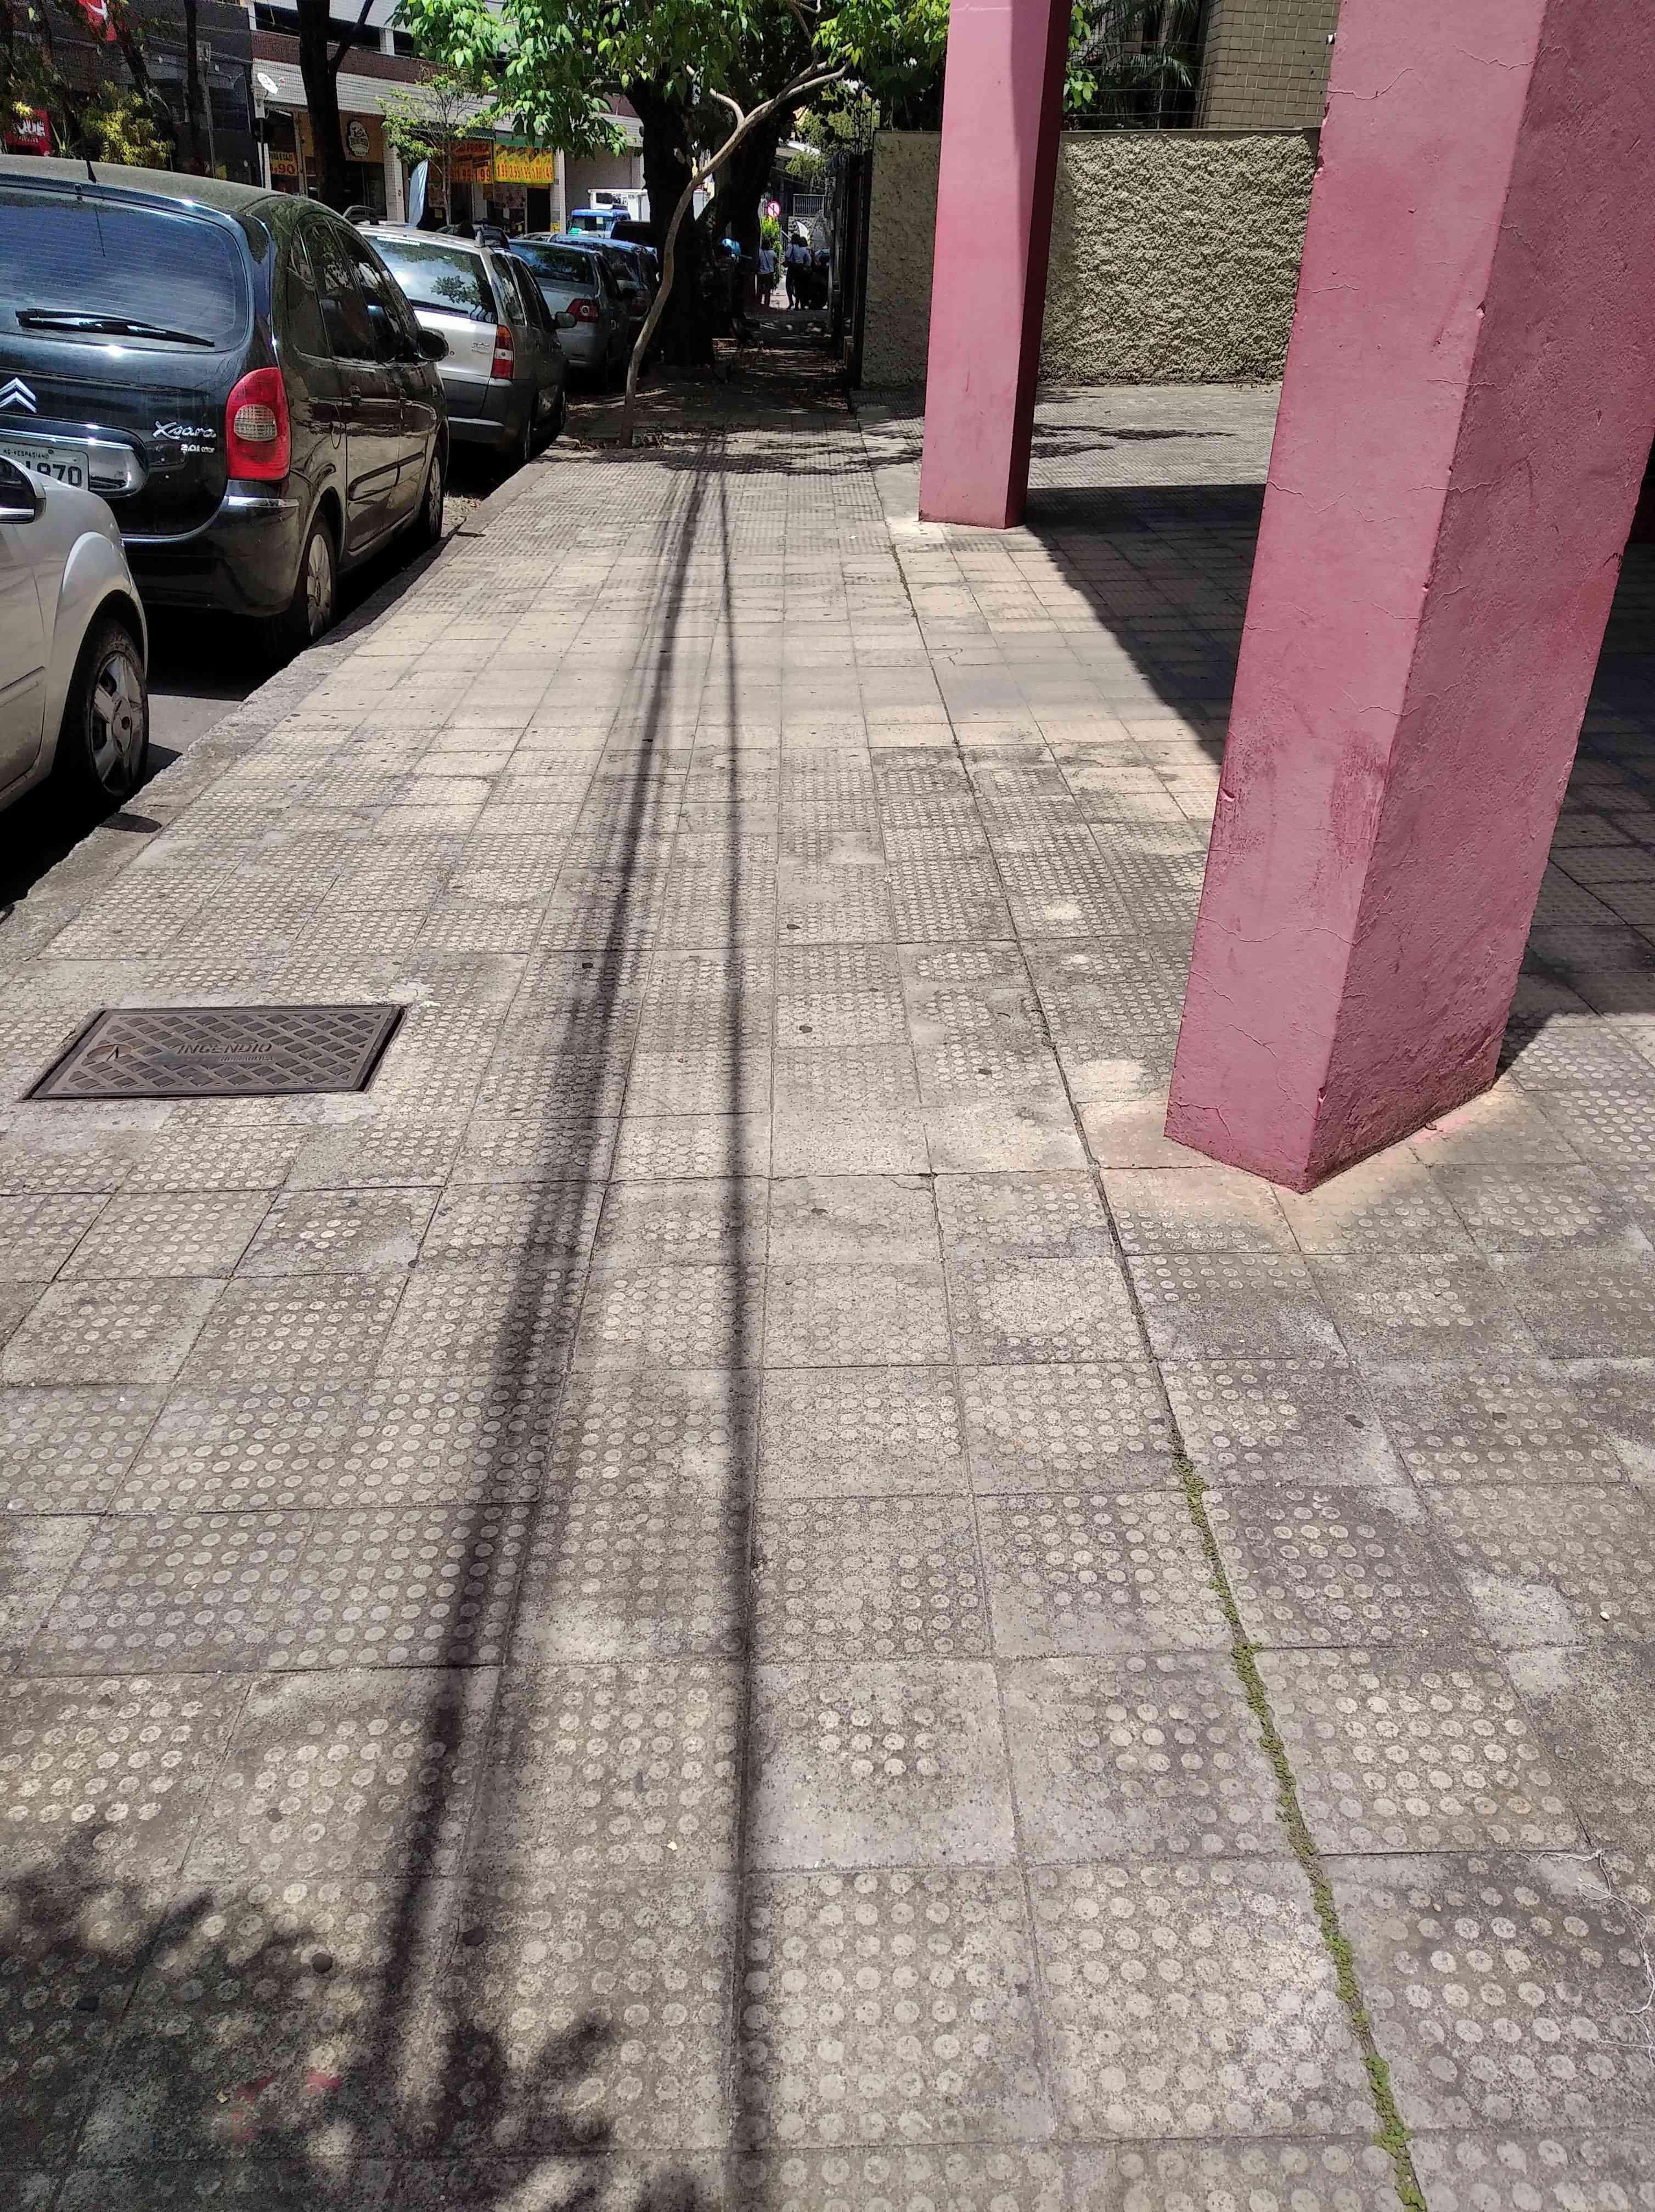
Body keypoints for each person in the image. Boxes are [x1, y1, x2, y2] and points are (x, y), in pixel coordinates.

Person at [757, 237, 776, 309]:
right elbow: (776, 261)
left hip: (761, 273)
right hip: (769, 273)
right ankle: (766, 304)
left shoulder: (760, 252)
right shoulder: (772, 253)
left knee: (760, 288)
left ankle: (759, 303)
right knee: (768, 290)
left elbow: (757, 261)